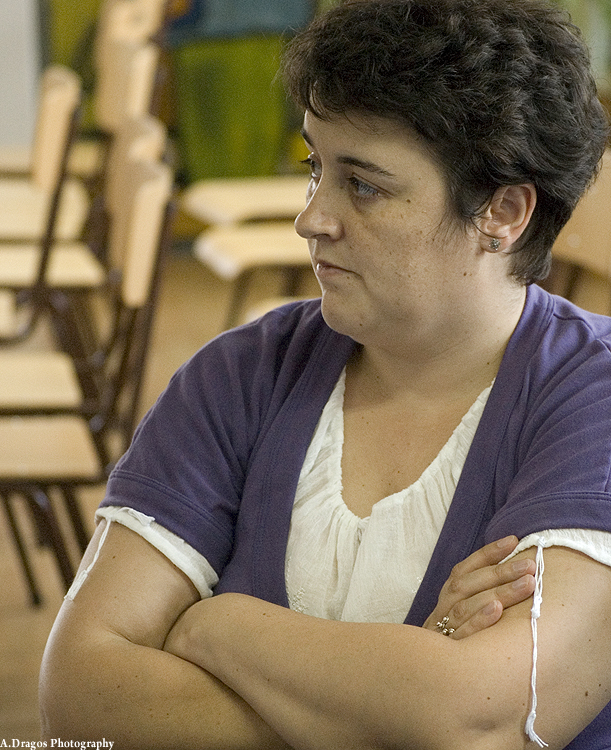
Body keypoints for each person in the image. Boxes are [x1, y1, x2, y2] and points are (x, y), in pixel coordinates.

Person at [40, 0, 611, 748]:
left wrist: (217, 626)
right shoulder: (241, 374)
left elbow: (484, 720)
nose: (311, 218)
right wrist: (407, 689)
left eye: (363, 185)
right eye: (316, 168)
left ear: (501, 212)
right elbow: (79, 696)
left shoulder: (590, 398)